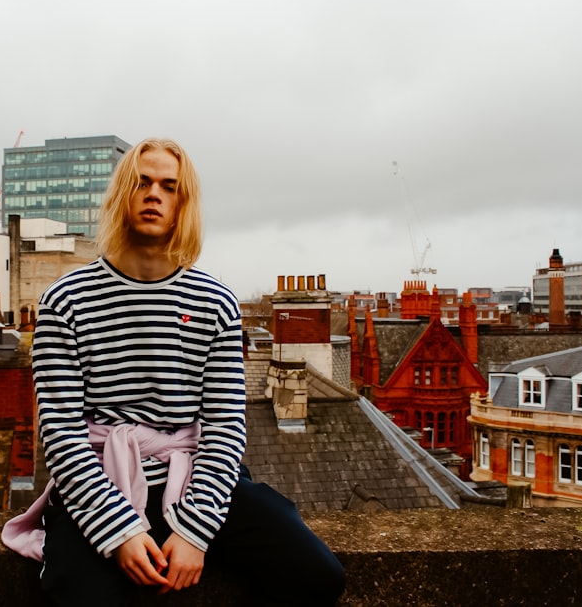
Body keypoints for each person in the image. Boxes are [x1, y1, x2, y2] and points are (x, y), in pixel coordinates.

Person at [23, 137, 345, 606]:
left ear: (182, 204)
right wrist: (120, 532)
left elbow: (225, 426)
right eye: (142, 182)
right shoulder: (64, 301)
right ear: (121, 196)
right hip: (100, 477)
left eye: (169, 186)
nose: (154, 194)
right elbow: (61, 432)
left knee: (317, 576)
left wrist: (195, 531)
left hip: (192, 475)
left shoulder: (214, 301)